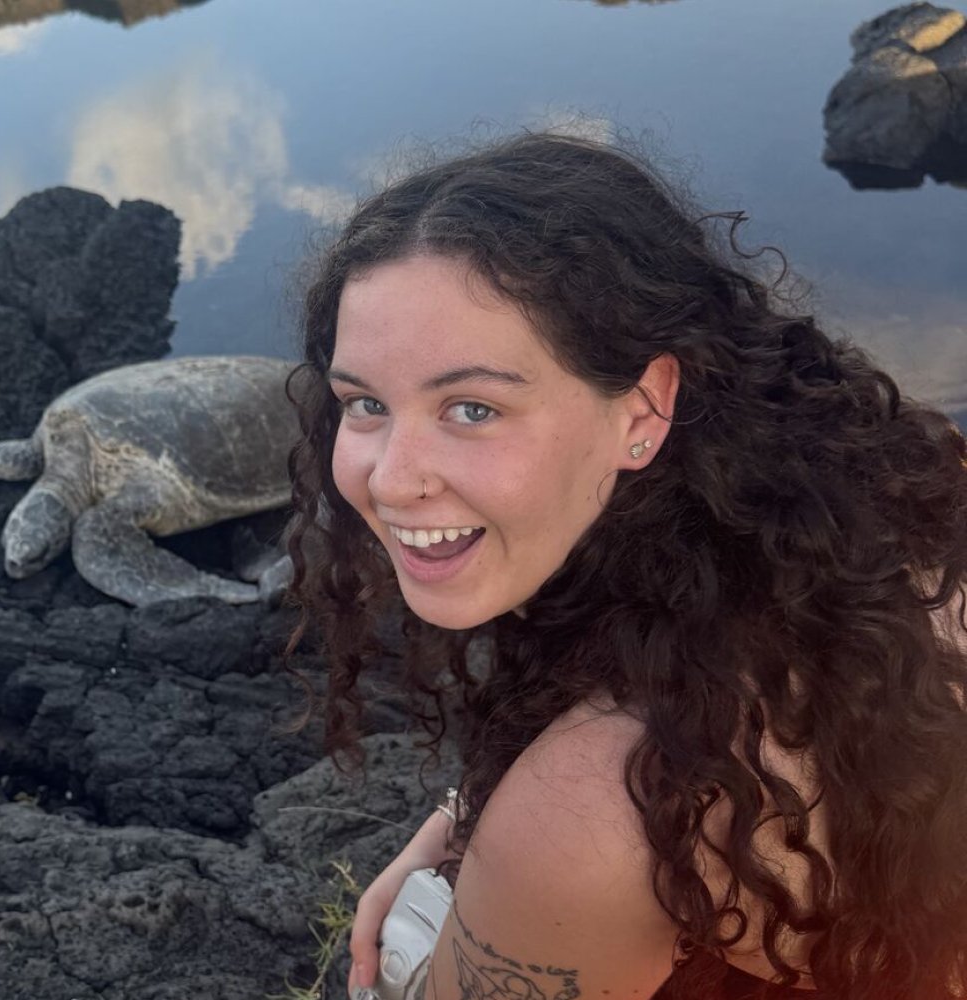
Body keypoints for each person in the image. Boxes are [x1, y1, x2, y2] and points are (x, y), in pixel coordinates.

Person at [283, 131, 967, 1000]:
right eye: (366, 403)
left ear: (644, 406)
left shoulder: (601, 804)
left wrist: (508, 867)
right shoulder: (895, 516)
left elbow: (591, 822)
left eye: (472, 407)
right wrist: (465, 819)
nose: (391, 477)